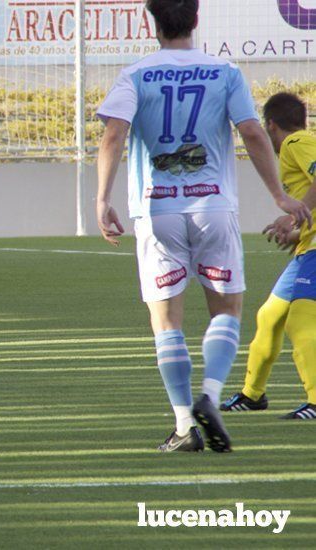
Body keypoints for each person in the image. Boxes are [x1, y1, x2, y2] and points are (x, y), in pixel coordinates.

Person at [95, 0, 311, 451]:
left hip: (157, 212)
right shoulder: (224, 72)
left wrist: (101, 200)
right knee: (227, 310)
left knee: (166, 321)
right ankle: (210, 396)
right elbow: (253, 132)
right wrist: (278, 195)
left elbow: (113, 134)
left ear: (153, 23)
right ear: (196, 19)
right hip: (213, 208)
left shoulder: (136, 73)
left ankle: (181, 425)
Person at [221, 92, 316, 420]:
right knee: (270, 316)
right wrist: (298, 231)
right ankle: (252, 395)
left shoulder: (295, 143)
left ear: (271, 125)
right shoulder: (302, 143)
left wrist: (291, 217)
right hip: (308, 247)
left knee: (301, 319)